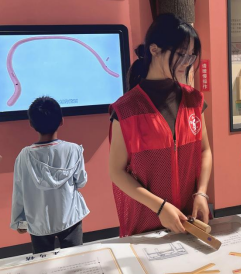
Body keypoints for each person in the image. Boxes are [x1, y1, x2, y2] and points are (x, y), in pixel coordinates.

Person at [109, 13, 213, 237]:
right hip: (147, 220)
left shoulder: (194, 100)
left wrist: (202, 193)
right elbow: (116, 171)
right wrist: (160, 207)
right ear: (154, 49)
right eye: (181, 54)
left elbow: (204, 151)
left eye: (191, 56)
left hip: (190, 216)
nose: (187, 62)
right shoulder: (126, 109)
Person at [11, 96, 89, 254]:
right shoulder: (74, 150)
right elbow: (81, 182)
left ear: (31, 124)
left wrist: (19, 220)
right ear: (61, 121)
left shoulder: (24, 156)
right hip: (69, 216)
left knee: (42, 261)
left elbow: (19, 189)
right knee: (75, 258)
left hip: (38, 221)